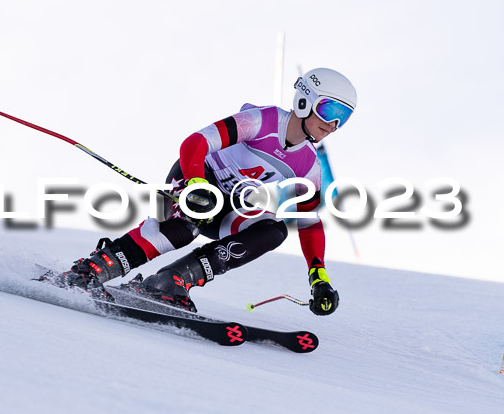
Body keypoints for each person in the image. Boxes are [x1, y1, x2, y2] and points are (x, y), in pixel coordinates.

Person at [52, 68, 357, 316]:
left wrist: (319, 276)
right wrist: (196, 183)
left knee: (274, 230)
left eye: (342, 117)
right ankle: (90, 271)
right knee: (184, 225)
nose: (333, 124)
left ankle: (170, 282)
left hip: (228, 207)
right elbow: (194, 143)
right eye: (329, 109)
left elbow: (309, 223)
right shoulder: (262, 120)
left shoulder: (309, 167)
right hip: (190, 178)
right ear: (305, 100)